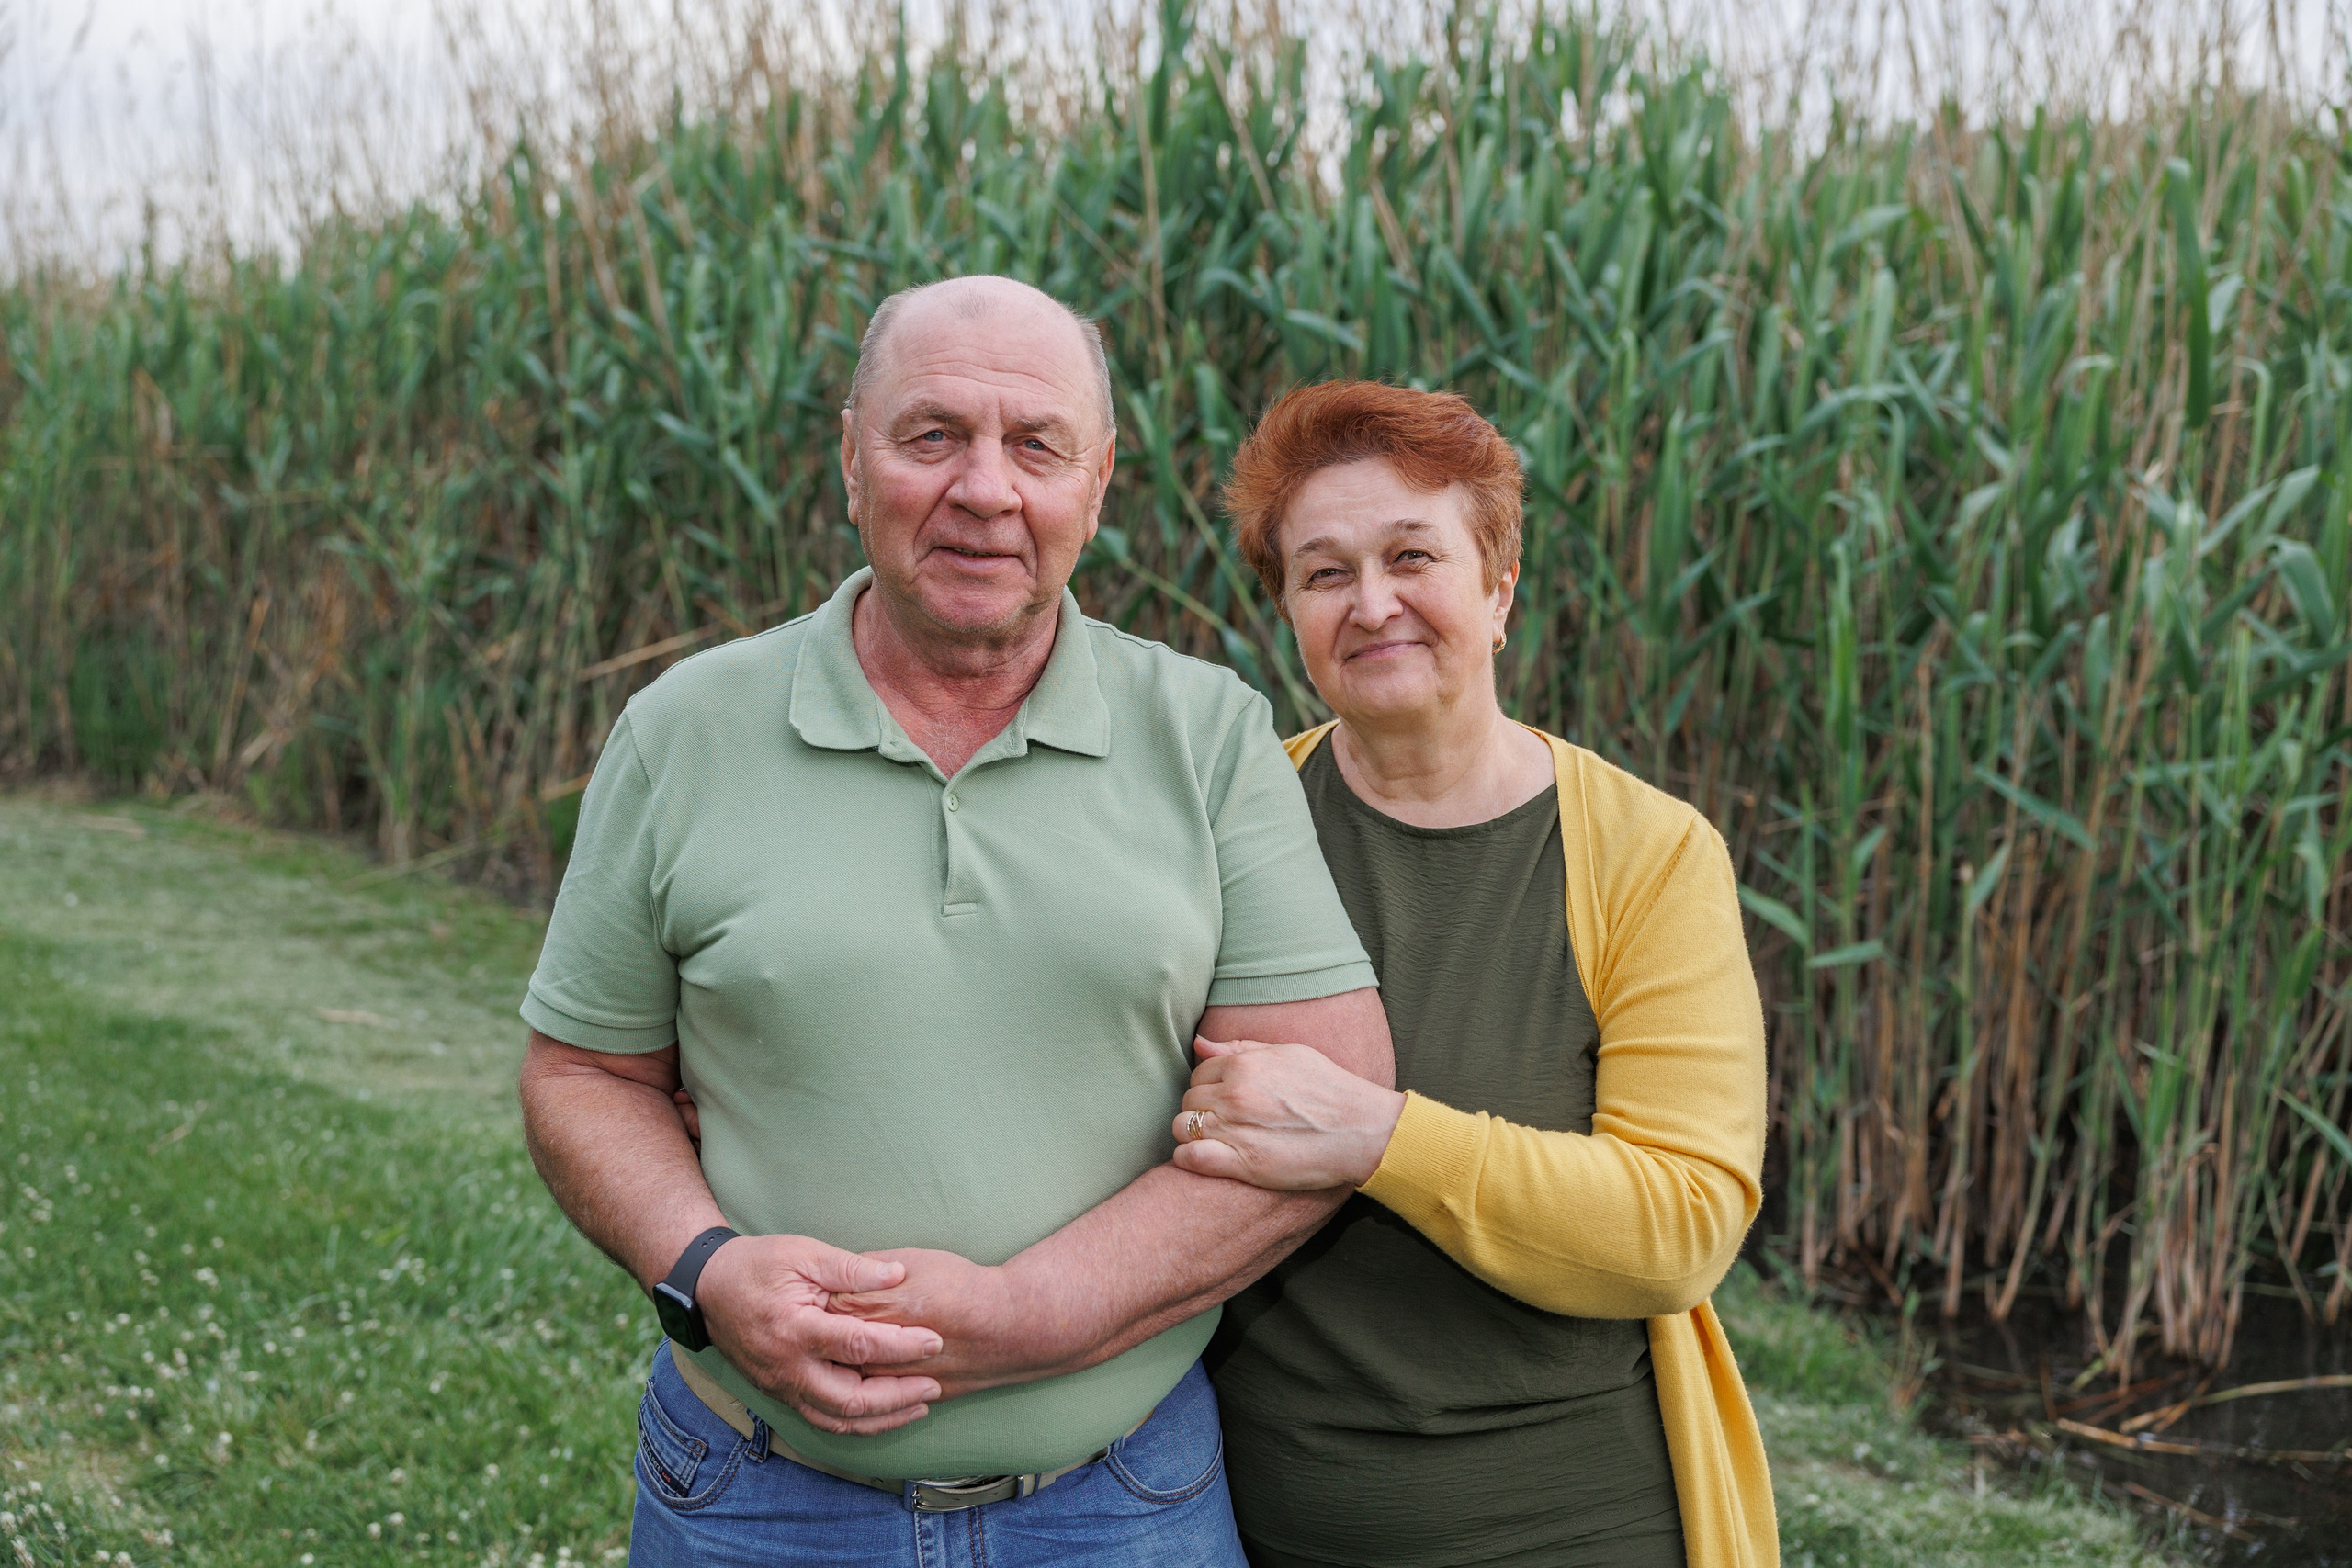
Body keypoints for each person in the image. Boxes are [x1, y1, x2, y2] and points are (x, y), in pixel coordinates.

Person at [514, 276, 1394, 1568]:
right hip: (753, 1502)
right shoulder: (682, 733)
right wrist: (703, 1267)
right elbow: (583, 1072)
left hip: (1124, 1505)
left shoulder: (1206, 736)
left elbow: (1322, 1110)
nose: (985, 489)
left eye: (1035, 445)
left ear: (1097, 486)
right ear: (852, 466)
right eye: (932, 436)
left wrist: (1026, 1316)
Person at [1174, 381, 1777, 1568]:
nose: (1374, 602)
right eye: (1325, 571)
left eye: (1414, 555)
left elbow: (1681, 1227)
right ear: (1287, 609)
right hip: (1247, 1522)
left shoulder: (1648, 858)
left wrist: (1380, 1140)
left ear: (1499, 589)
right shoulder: (1227, 827)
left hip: (1576, 1523)